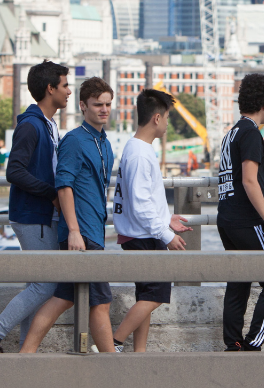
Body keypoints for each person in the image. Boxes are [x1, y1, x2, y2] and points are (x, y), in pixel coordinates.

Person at [0, 60, 70, 353]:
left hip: (39, 213)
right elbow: (14, 171)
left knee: (37, 287)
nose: (68, 92)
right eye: (65, 85)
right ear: (50, 89)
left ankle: (26, 355)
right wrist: (51, 193)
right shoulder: (30, 125)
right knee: (46, 286)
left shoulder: (47, 124)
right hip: (33, 215)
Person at [20, 77, 116, 354]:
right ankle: (115, 366)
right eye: (98, 104)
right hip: (81, 233)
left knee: (64, 296)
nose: (104, 109)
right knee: (100, 301)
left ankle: (24, 356)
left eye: (108, 104)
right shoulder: (74, 140)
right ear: (83, 106)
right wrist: (73, 231)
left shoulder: (104, 142)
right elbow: (64, 185)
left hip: (93, 230)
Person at [111, 89, 191, 353]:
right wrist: (166, 234)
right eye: (167, 117)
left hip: (142, 232)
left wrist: (166, 218)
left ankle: (139, 353)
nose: (167, 123)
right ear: (157, 118)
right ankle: (113, 342)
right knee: (155, 294)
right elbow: (141, 204)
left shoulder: (137, 149)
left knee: (146, 295)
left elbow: (143, 198)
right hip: (142, 235)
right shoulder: (139, 154)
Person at [217, 73, 264, 352]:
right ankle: (253, 343)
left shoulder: (231, 132)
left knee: (239, 281)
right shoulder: (251, 133)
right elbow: (248, 180)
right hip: (248, 221)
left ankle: (233, 343)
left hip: (227, 219)